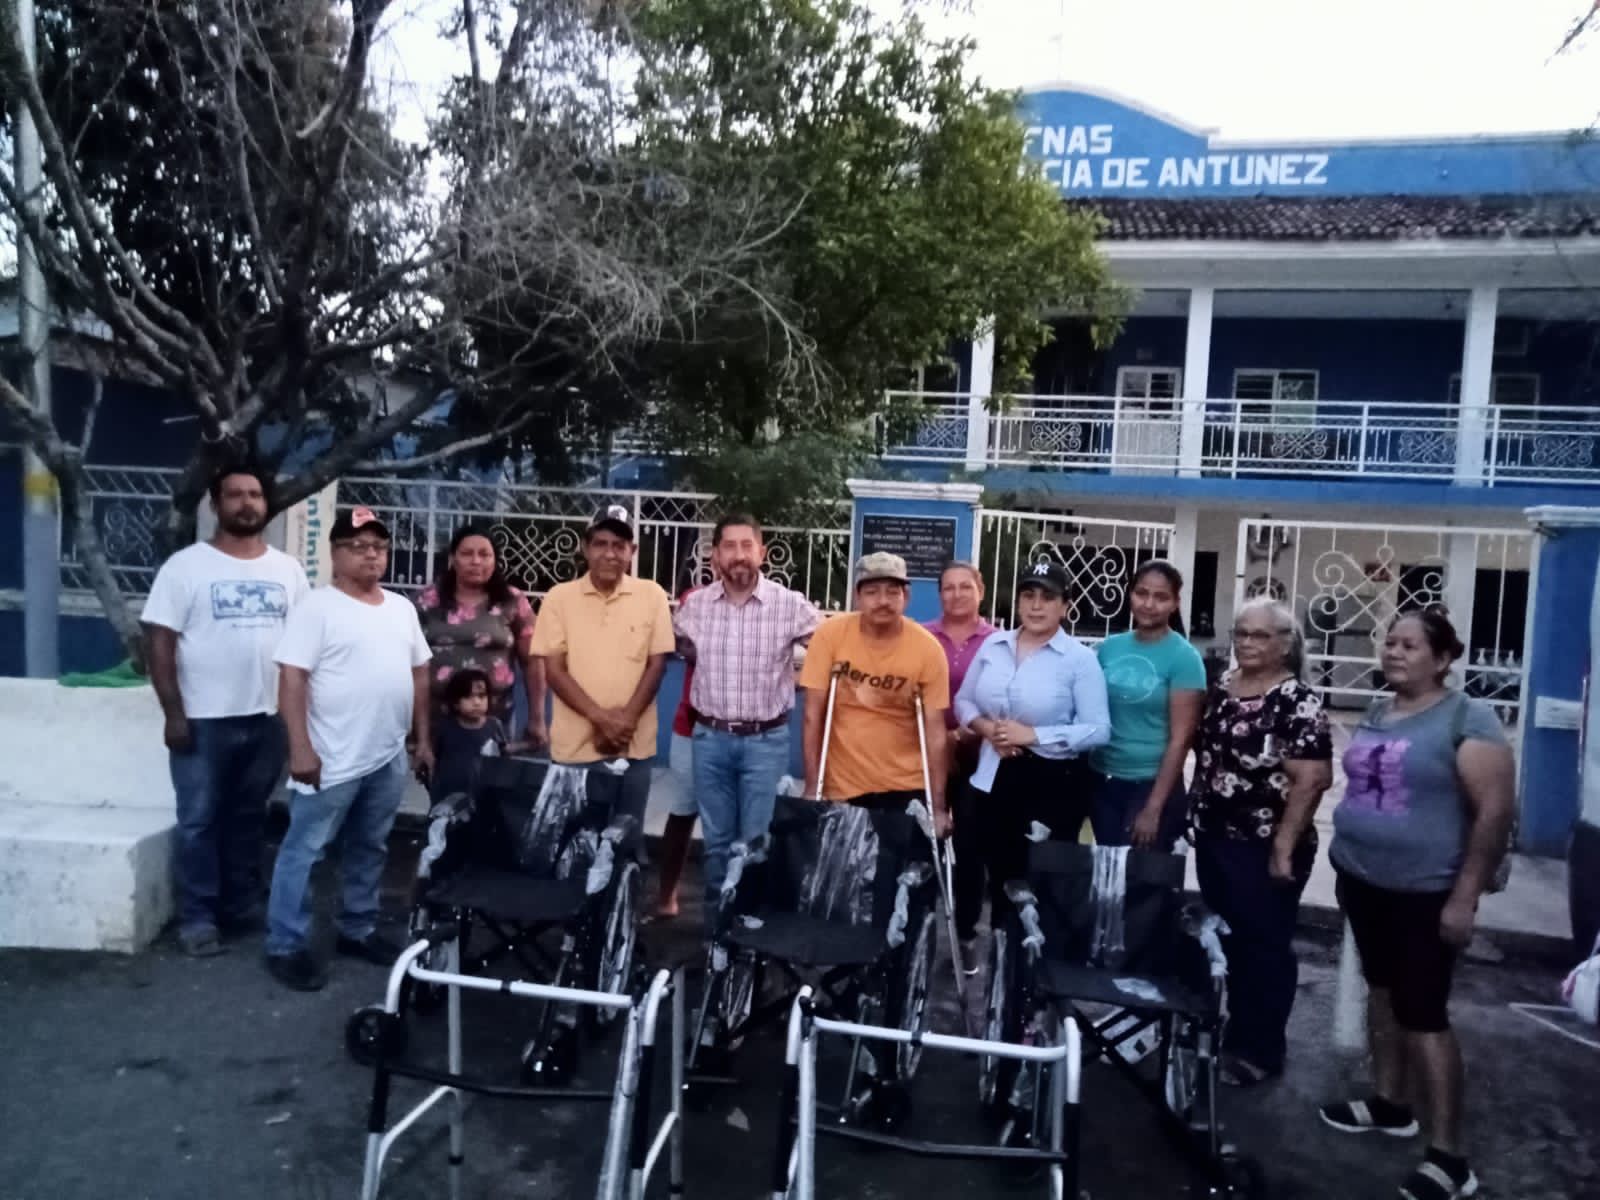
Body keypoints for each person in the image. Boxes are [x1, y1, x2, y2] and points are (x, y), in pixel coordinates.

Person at [1319, 609, 1515, 1200]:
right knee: (1381, 994)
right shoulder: (1380, 711)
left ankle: (1449, 1156)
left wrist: (1464, 896)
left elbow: (1494, 814)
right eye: (1390, 642)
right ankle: (1390, 1104)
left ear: (1443, 658)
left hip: (1427, 892)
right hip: (1364, 880)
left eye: (1409, 645)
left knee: (1424, 1013)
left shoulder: (1466, 717)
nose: (1393, 652)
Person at [141, 463, 309, 958]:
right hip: (203, 719)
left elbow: (303, 644)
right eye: (235, 494)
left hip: (268, 718)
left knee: (248, 817)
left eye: (255, 494)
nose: (247, 503)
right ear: (215, 505)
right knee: (198, 820)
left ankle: (238, 907)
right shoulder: (186, 567)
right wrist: (173, 713)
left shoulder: (288, 570)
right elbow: (159, 641)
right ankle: (197, 918)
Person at [264, 506, 433, 992]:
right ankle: (285, 944)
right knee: (305, 850)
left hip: (386, 755)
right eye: (358, 547)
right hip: (330, 758)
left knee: (371, 845)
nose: (371, 555)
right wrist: (300, 748)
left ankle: (357, 928)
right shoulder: (317, 607)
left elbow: (419, 672)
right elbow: (292, 678)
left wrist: (422, 738)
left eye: (378, 547)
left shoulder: (401, 608)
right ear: (335, 554)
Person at [1189, 596, 1333, 1086]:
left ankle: (1260, 1050)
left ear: (1285, 644)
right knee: (1227, 938)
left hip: (1265, 845)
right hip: (1216, 838)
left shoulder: (1296, 701)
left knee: (1263, 945)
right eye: (1241, 633)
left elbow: (1312, 779)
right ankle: (1232, 1030)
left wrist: (1284, 847)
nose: (1247, 642)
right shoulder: (1224, 687)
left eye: (1260, 635)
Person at [953, 560, 1110, 926]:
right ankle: (997, 951)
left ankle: (1033, 958)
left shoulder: (1080, 660)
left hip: (1050, 783)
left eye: (1048, 597)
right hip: (992, 774)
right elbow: (964, 700)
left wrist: (1034, 735)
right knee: (996, 876)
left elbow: (1099, 729)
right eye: (1028, 595)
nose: (1036, 605)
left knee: (1038, 887)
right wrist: (988, 729)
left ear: (1066, 606)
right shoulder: (994, 645)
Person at [676, 515, 821, 903]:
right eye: (729, 546)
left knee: (756, 842)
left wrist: (799, 679)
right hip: (710, 740)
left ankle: (748, 926)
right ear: (715, 555)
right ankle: (716, 927)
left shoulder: (790, 605)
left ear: (762, 553)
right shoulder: (695, 607)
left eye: (746, 546)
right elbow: (681, 648)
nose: (738, 555)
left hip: (765, 743)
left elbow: (829, 651)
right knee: (717, 843)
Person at [528, 505, 675, 843]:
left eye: (619, 546)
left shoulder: (652, 596)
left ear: (632, 551)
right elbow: (555, 671)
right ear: (586, 547)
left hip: (633, 747)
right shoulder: (558, 598)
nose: (610, 554)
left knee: (623, 842)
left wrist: (625, 722)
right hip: (574, 750)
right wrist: (602, 720)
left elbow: (657, 665)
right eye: (601, 544)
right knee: (569, 845)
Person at [799, 552, 950, 827]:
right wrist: (812, 788)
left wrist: (938, 807)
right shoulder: (830, 636)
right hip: (841, 785)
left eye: (893, 592)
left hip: (906, 785)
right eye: (872, 592)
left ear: (906, 596)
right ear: (857, 597)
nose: (882, 601)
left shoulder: (927, 649)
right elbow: (812, 716)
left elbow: (935, 733)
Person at [1090, 560, 1207, 851]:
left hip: (1150, 785)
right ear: (1130, 594)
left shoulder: (1185, 658)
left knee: (1138, 873)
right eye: (1141, 593)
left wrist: (1154, 807)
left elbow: (1181, 740)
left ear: (1175, 603)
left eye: (1161, 597)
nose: (1149, 604)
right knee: (1104, 868)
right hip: (1102, 779)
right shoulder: (1109, 648)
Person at [415, 525, 547, 749]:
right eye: (467, 554)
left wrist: (537, 718)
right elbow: (408, 665)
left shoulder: (512, 601)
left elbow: (533, 661)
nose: (476, 561)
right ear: (453, 559)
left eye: (484, 554)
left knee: (490, 770)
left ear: (495, 560)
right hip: (436, 722)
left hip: (494, 721)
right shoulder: (425, 602)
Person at [925, 562, 996, 960]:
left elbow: (1003, 697)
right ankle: (915, 928)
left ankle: (966, 934)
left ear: (980, 591)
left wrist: (962, 734)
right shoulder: (921, 636)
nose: (957, 595)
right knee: (922, 843)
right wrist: (940, 739)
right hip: (925, 754)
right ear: (940, 595)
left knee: (971, 848)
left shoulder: (998, 642)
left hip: (976, 755)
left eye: (965, 587)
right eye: (948, 588)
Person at [653, 579, 702, 920]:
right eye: (725, 552)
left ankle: (731, 908)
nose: (735, 558)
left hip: (743, 732)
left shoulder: (772, 603)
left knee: (739, 826)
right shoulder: (694, 599)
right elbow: (684, 647)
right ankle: (666, 895)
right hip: (692, 726)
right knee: (683, 812)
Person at [428, 667, 511, 807]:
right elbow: (434, 758)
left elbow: (504, 754)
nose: (476, 702)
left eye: (481, 696)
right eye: (468, 697)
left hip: (484, 796)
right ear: (455, 702)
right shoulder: (445, 728)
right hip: (447, 797)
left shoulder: (494, 726)